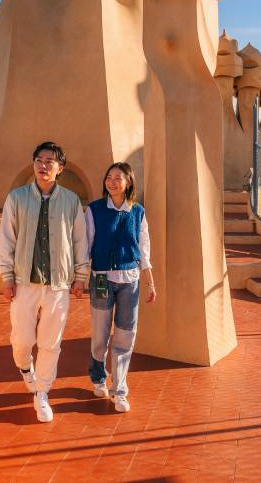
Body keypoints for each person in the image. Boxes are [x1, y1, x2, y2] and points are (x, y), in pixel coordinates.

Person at [0, 141, 88, 423]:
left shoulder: (71, 201)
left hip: (58, 284)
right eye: (39, 159)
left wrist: (81, 276)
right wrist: (7, 276)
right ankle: (26, 368)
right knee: (22, 340)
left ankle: (43, 392)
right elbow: (7, 240)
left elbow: (79, 241)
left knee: (51, 343)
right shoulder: (17, 198)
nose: (43, 165)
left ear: (60, 168)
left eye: (50, 161)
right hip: (25, 281)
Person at [86, 162, 156, 413]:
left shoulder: (137, 212)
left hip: (130, 280)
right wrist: (82, 277)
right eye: (109, 177)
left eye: (118, 178)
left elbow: (144, 248)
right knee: (100, 334)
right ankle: (98, 376)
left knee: (125, 335)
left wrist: (149, 281)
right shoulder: (94, 210)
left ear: (129, 183)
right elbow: (87, 244)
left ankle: (120, 390)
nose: (112, 181)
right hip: (101, 279)